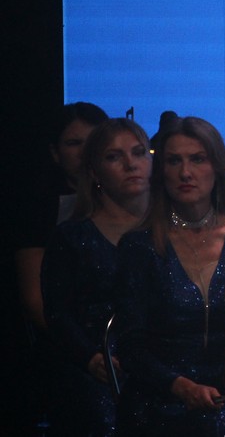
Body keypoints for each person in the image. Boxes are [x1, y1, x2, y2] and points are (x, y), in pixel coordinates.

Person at [113, 116, 225, 437]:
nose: (185, 172)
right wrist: (180, 386)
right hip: (163, 396)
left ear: (217, 168)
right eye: (173, 161)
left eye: (197, 159)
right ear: (161, 171)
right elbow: (129, 345)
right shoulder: (139, 246)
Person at [41, 117, 152, 436]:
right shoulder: (72, 236)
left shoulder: (174, 230)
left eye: (138, 152)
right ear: (94, 172)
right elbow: (57, 313)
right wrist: (90, 358)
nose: (130, 164)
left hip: (166, 365)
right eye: (114, 156)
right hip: (99, 370)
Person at [8, 101, 109, 435]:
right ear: (55, 153)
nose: (86, 152)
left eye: (94, 141)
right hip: (71, 345)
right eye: (74, 143)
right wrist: (87, 353)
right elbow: (36, 302)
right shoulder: (39, 208)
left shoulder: (137, 201)